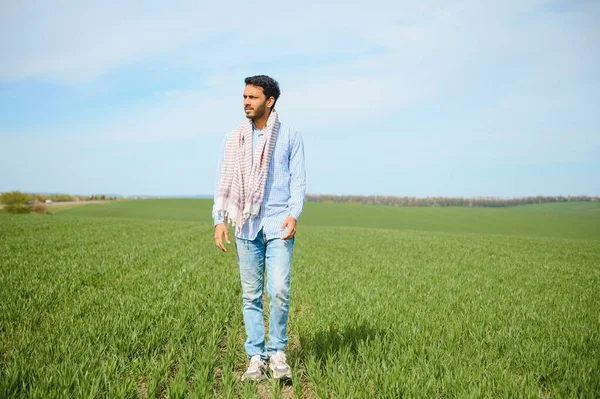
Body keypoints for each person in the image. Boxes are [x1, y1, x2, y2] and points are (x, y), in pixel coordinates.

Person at [212, 75, 306, 382]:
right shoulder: (234, 138)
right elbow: (222, 182)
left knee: (278, 289)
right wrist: (219, 220)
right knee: (250, 295)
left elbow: (298, 180)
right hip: (246, 224)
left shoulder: (290, 135)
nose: (246, 103)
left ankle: (277, 351)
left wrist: (295, 214)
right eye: (244, 97)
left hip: (279, 224)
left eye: (252, 97)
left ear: (270, 101)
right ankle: (256, 357)